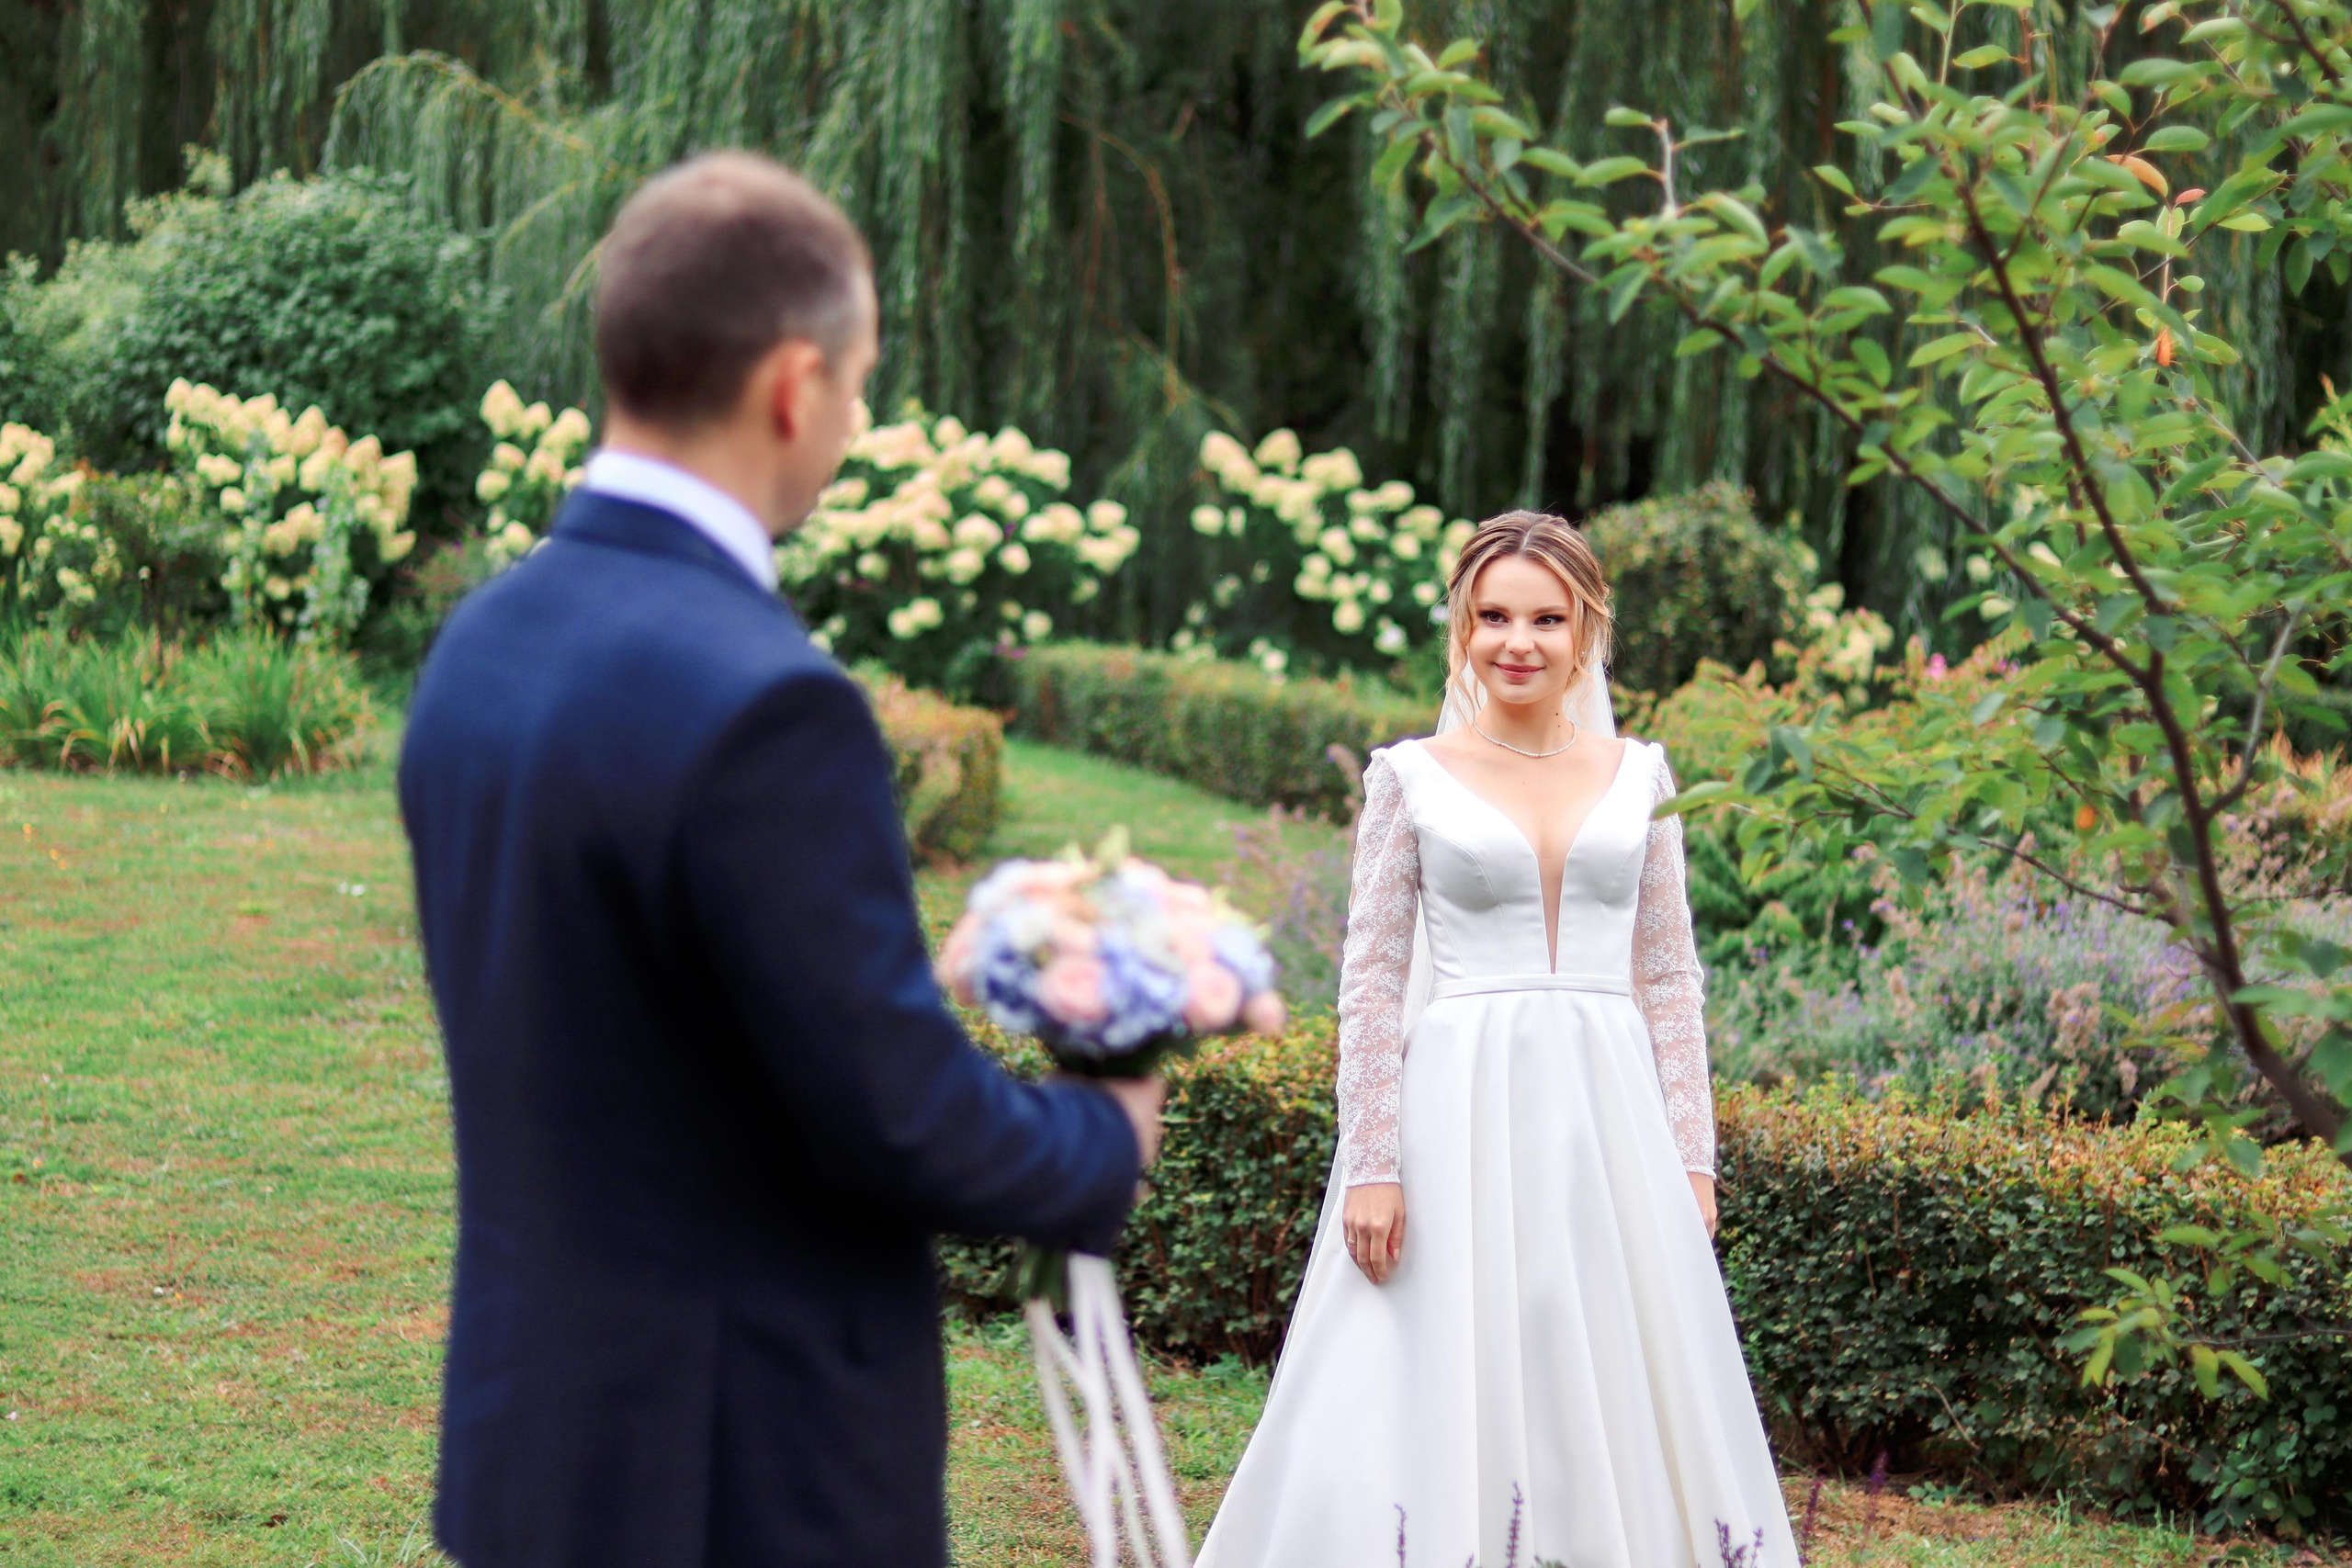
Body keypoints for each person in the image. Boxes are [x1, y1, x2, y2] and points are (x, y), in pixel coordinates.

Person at [399, 152, 1162, 1568]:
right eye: (860, 384)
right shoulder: (770, 702)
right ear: (796, 385)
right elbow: (899, 1120)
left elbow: (645, 1003)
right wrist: (1104, 1130)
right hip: (733, 1472)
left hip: (538, 1441)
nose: (853, 419)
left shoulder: (484, 640)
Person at [1197, 512, 1798, 1567]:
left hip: (1610, 1122)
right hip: (1458, 1110)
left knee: (1606, 1353)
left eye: (1545, 619)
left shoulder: (1640, 776)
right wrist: (1371, 1165)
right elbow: (1371, 982)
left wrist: (1693, 1157)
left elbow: (1668, 977)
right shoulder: (1410, 777)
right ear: (1463, 629)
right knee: (1439, 1353)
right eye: (1492, 617)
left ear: (1587, 629)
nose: (1517, 642)